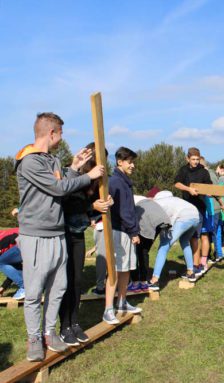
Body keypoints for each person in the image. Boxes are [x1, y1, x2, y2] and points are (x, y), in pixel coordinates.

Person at [15, 112, 104, 361]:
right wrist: (89, 175)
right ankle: (33, 338)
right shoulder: (30, 161)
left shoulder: (52, 161)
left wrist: (75, 168)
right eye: (61, 133)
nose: (62, 138)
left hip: (57, 233)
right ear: (51, 132)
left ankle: (48, 332)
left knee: (58, 287)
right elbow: (57, 187)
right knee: (34, 291)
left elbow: (63, 187)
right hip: (35, 234)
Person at [59, 142, 113, 346]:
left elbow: (85, 211)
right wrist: (92, 205)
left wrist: (102, 205)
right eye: (101, 161)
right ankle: (64, 326)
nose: (103, 165)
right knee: (65, 282)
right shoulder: (69, 174)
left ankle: (74, 323)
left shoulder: (93, 181)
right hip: (62, 233)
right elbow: (66, 202)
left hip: (78, 234)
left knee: (78, 280)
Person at [103, 147, 142, 325]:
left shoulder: (125, 181)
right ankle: (108, 309)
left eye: (133, 162)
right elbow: (122, 211)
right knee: (115, 270)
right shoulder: (116, 182)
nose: (132, 165)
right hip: (119, 231)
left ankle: (122, 302)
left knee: (126, 269)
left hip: (126, 231)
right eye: (130, 161)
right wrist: (134, 231)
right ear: (120, 162)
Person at [149, 190, 201, 286]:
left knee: (164, 246)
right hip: (196, 216)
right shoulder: (174, 200)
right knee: (184, 241)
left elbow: (162, 223)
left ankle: (154, 280)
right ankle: (190, 272)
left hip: (184, 218)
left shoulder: (159, 204)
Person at [174, 147, 213, 276]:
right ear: (187, 158)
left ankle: (196, 266)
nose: (196, 162)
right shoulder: (183, 170)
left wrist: (208, 192)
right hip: (186, 208)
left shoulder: (203, 172)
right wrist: (188, 189)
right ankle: (190, 265)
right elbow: (177, 183)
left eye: (197, 159)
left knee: (195, 237)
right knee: (186, 237)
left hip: (199, 208)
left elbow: (210, 187)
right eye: (193, 159)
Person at [128, 194, 171, 292]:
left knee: (137, 251)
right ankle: (143, 281)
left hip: (147, 218)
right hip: (162, 220)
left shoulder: (128, 199)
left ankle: (136, 282)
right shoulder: (139, 197)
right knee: (143, 250)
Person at [0, 228, 24, 300]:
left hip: (26, 241)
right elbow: (14, 269)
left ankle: (25, 287)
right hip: (38, 239)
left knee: (1, 262)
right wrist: (3, 287)